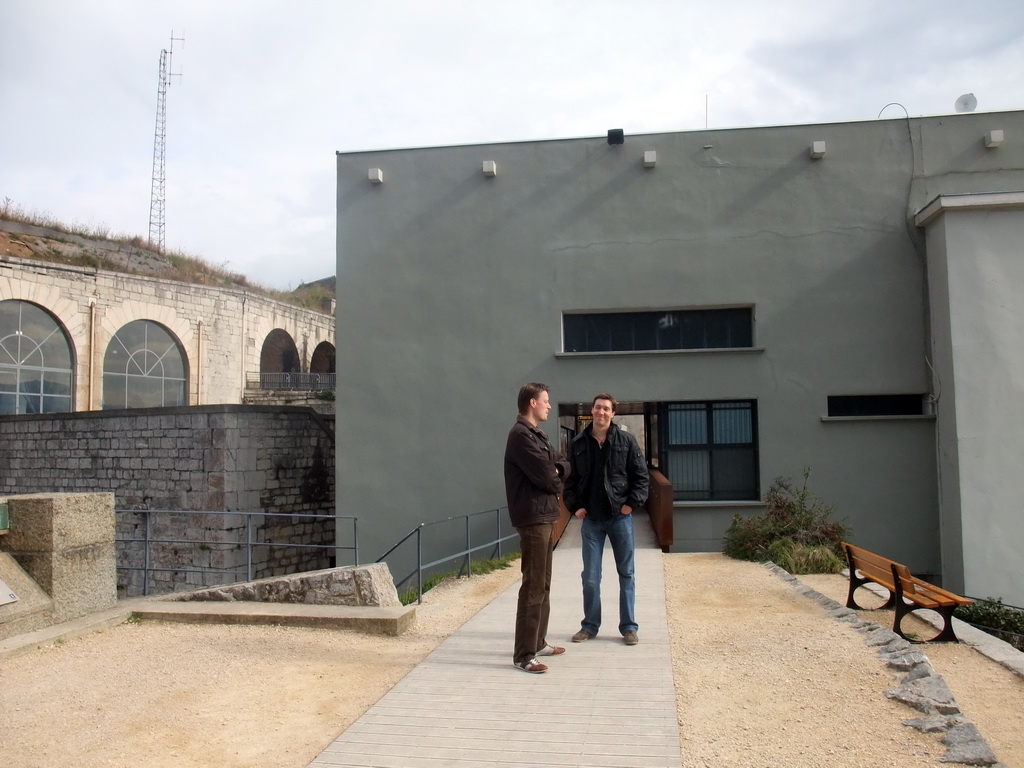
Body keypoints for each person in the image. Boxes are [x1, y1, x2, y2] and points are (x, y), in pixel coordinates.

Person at [564, 393, 649, 645]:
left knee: (627, 573)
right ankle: (589, 625)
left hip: (619, 518)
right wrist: (574, 506)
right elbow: (569, 481)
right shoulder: (578, 443)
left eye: (606, 409)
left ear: (613, 414)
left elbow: (641, 477)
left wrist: (630, 505)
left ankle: (629, 627)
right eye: (597, 408)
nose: (601, 412)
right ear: (592, 410)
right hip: (591, 520)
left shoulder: (627, 441)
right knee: (590, 576)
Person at [504, 382, 571, 673]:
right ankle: (524, 655)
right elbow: (549, 476)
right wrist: (555, 473)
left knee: (543, 583)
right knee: (532, 585)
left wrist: (556, 470)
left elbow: (562, 463)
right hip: (532, 519)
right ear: (532, 403)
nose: (549, 406)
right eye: (545, 401)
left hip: (544, 516)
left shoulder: (537, 435)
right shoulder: (520, 435)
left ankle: (539, 641)